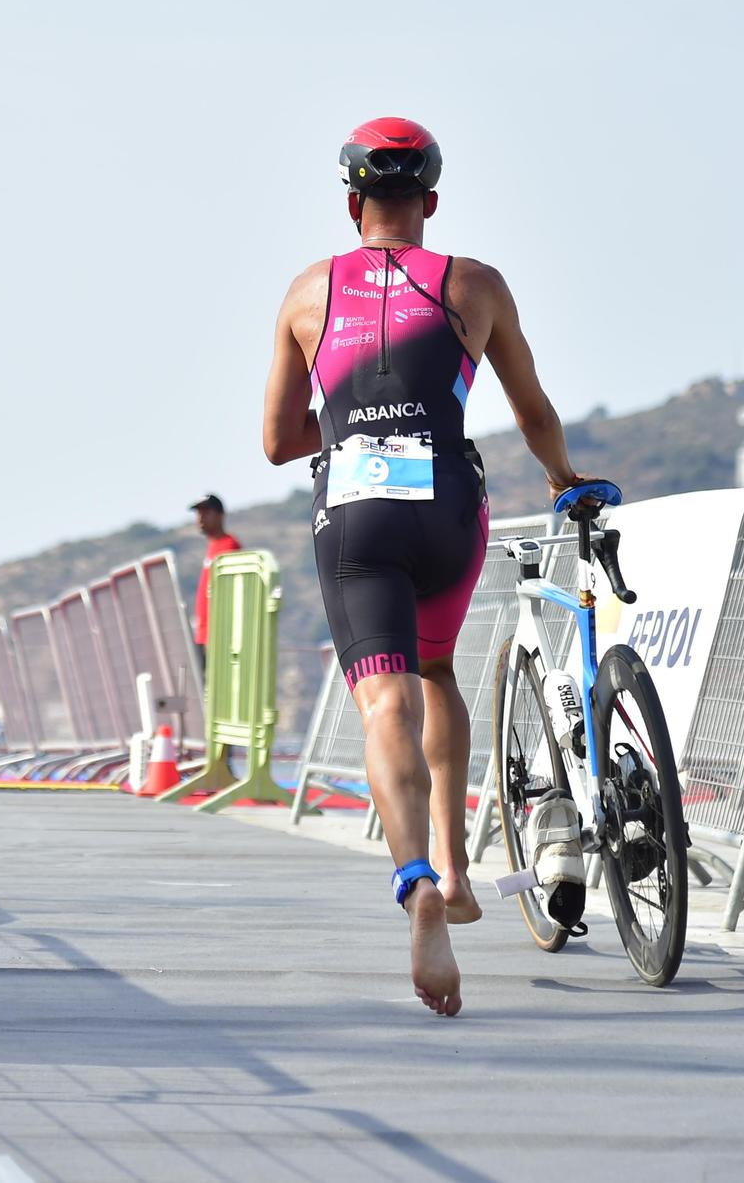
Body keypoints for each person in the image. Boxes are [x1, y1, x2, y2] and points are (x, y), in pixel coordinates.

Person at [261, 117, 587, 1017]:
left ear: (352, 202)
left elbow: (276, 441)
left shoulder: (305, 291)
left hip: (355, 512)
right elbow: (532, 411)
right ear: (430, 204)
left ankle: (417, 885)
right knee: (438, 669)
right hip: (450, 504)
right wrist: (565, 477)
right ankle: (456, 857)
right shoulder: (475, 284)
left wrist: (345, 424)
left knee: (385, 700)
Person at [188, 495, 242, 675]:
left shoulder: (229, 545)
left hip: (217, 637)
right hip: (204, 635)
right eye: (198, 513)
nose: (201, 518)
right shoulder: (213, 546)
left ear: (220, 515)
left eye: (206, 512)